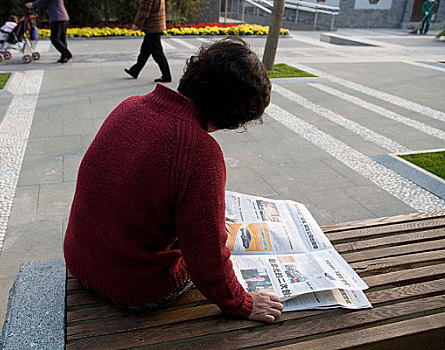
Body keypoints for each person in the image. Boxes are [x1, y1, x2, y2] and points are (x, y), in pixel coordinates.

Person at [64, 36, 283, 323]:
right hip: (136, 288)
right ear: (232, 115)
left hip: (81, 262)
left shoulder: (130, 105)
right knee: (220, 241)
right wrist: (242, 303)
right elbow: (207, 259)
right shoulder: (199, 151)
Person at [124, 0, 172, 83]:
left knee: (157, 53)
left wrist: (137, 24)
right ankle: (135, 70)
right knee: (145, 51)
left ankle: (166, 75)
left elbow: (144, 10)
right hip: (156, 24)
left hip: (152, 26)